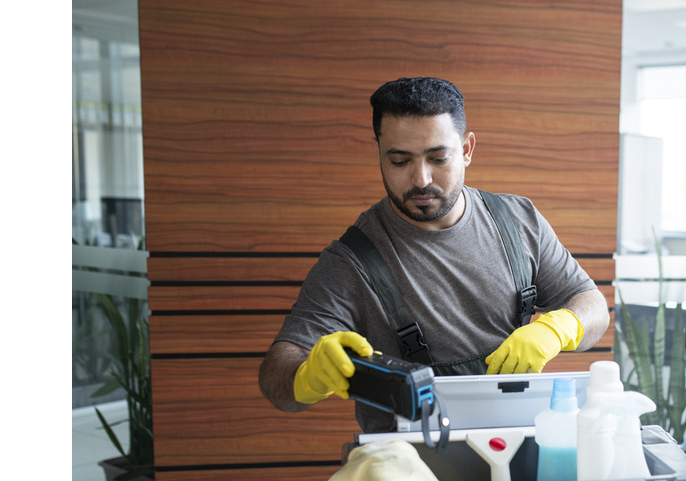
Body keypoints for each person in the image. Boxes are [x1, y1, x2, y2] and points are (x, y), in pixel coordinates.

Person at [259, 76, 610, 433]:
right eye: (400, 161)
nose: (421, 179)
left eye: (438, 158)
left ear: (467, 149)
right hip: (412, 457)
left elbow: (593, 305)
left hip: (521, 439)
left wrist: (557, 329)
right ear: (378, 152)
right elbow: (276, 379)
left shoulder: (519, 220)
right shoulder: (351, 261)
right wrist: (309, 376)